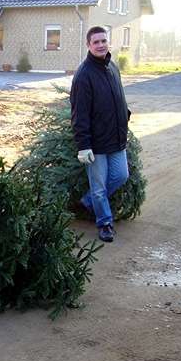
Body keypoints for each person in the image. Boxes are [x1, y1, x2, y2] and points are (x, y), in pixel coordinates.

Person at [70, 26, 131, 243]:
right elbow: (79, 114)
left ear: (108, 42)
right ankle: (104, 223)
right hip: (95, 144)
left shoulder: (112, 67)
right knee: (99, 187)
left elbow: (119, 97)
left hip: (116, 138)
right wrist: (83, 145)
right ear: (88, 45)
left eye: (103, 41)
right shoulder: (84, 74)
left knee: (121, 175)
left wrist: (125, 117)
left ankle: (87, 201)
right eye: (95, 42)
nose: (100, 45)